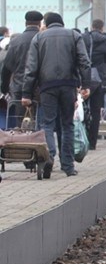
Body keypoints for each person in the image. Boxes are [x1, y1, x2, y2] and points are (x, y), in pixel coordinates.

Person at [21, 12, 91, 178]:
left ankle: (48, 158)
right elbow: (84, 61)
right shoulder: (74, 35)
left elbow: (31, 68)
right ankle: (68, 165)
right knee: (67, 125)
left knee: (48, 124)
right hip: (69, 86)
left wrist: (26, 93)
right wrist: (86, 85)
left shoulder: (39, 38)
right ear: (62, 22)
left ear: (46, 23)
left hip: (47, 87)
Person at [1, 11, 43, 128]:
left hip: (19, 85)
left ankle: (23, 142)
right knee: (41, 121)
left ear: (25, 23)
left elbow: (7, 67)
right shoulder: (43, 39)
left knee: (21, 121)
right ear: (39, 24)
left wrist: (4, 88)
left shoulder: (16, 41)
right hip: (41, 86)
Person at [82, 19, 106, 150]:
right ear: (102, 27)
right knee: (96, 112)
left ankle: (81, 137)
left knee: (80, 110)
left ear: (91, 26)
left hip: (84, 78)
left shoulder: (83, 37)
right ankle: (93, 142)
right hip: (98, 78)